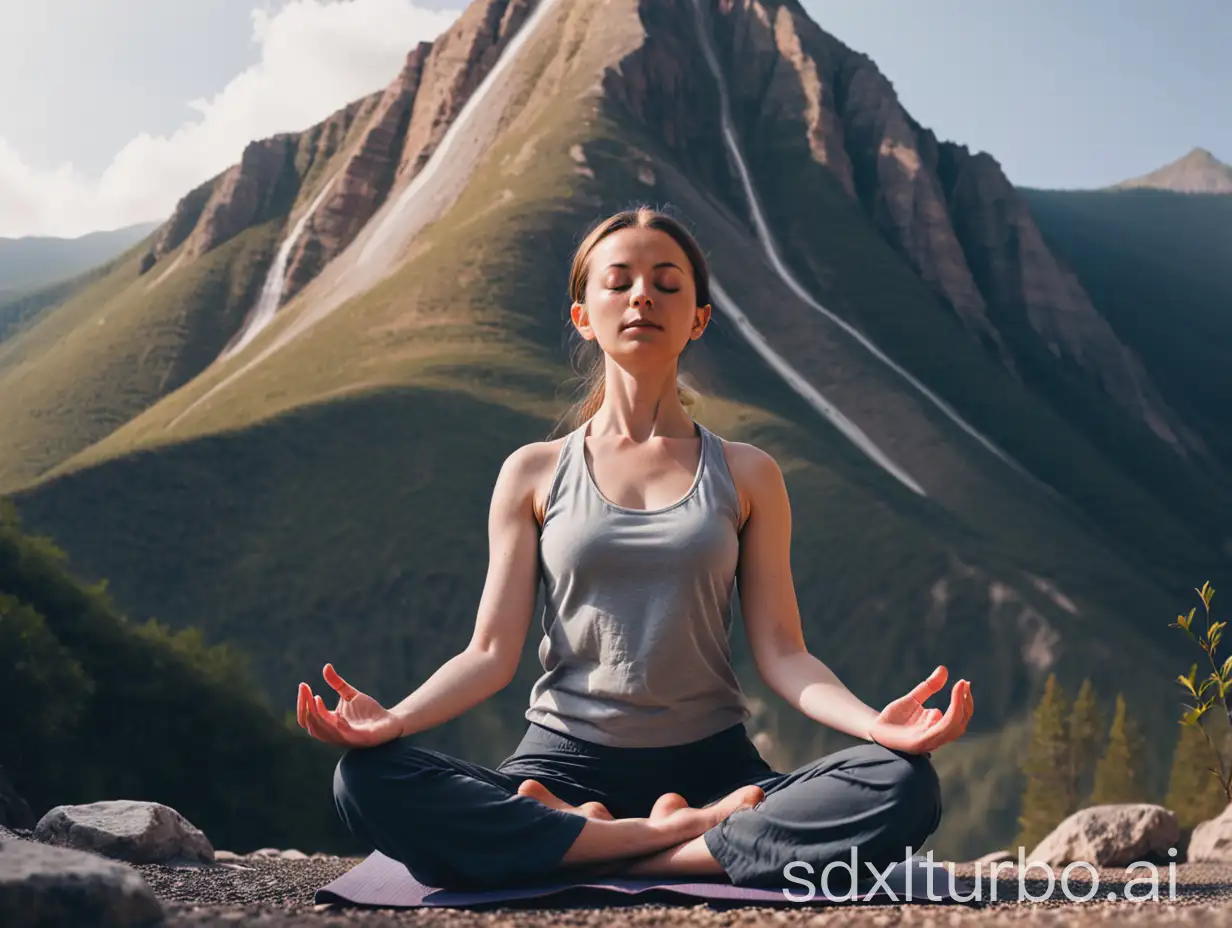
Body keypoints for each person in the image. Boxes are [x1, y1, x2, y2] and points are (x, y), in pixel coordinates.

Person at [297, 206, 974, 891]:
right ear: (584, 315)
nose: (642, 295)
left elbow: (784, 652)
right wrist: (394, 720)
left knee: (901, 783)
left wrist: (875, 725)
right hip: (558, 769)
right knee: (366, 777)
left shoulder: (748, 474)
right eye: (617, 281)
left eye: (667, 284)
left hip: (716, 769)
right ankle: (684, 837)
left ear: (699, 319)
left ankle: (608, 847)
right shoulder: (532, 471)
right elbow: (488, 654)